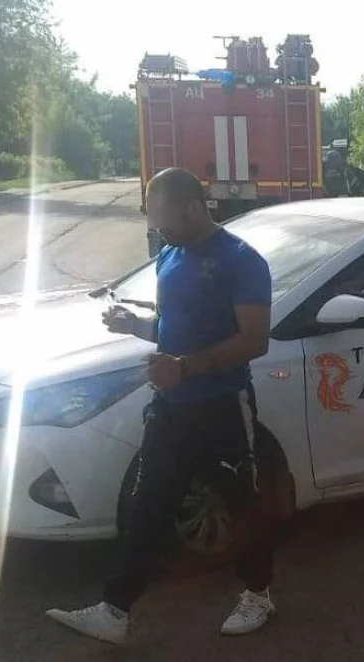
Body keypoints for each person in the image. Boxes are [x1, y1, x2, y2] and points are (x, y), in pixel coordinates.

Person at [45, 167, 277, 644]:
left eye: (164, 219)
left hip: (222, 407)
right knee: (147, 505)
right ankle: (115, 610)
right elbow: (175, 327)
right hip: (171, 408)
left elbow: (255, 340)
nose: (158, 230)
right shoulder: (170, 255)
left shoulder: (241, 260)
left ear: (194, 208)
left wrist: (185, 368)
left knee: (240, 502)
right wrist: (135, 325)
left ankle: (258, 593)